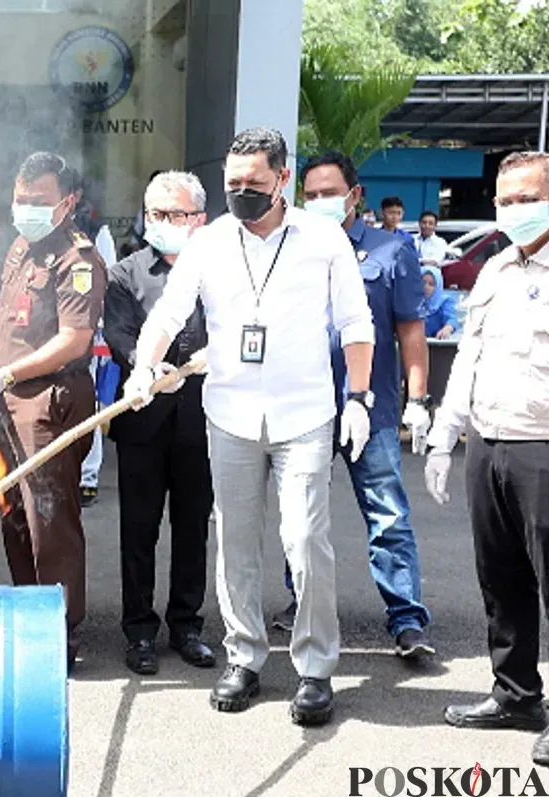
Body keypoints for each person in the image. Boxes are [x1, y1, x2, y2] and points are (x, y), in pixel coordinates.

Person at [125, 128, 374, 725]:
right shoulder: (208, 242)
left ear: (282, 180)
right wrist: (143, 365)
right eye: (232, 184)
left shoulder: (323, 239)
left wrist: (359, 397)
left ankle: (314, 669)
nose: (242, 194)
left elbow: (355, 323)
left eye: (254, 185)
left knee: (305, 541)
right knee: (236, 540)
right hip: (230, 413)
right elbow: (169, 311)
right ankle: (245, 657)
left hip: (304, 414)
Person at [280, 151, 434, 658]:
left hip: (373, 410)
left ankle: (407, 619)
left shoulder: (392, 251)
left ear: (355, 195)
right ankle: (299, 604)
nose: (321, 201)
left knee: (387, 514)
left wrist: (419, 400)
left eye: (330, 191)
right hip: (306, 408)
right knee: (300, 513)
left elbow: (411, 329)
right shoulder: (291, 251)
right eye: (312, 193)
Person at [427, 151, 549, 766]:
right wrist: (445, 434)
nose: (513, 210)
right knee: (501, 579)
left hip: (544, 447)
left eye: (527, 198)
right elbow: (467, 358)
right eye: (504, 200)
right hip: (490, 442)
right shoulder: (497, 268)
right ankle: (517, 693)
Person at [0, 151, 106, 671]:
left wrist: (10, 372)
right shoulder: (20, 247)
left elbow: (74, 340)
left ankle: (61, 631)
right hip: (4, 401)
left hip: (47, 402)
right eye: (20, 199)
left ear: (66, 202)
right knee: (14, 516)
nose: (26, 208)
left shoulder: (79, 260)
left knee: (50, 518)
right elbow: (2, 303)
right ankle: (31, 611)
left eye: (38, 201)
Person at [104, 170, 214, 676]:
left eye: (175, 214)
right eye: (155, 214)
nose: (163, 223)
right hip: (144, 417)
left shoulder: (221, 268)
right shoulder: (126, 273)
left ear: (200, 218)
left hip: (204, 419)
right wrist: (146, 368)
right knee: (139, 529)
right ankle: (140, 631)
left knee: (193, 527)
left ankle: (187, 625)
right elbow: (121, 333)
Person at [75, 181, 117, 508]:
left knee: (87, 403)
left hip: (88, 331)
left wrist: (101, 325)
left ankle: (87, 477)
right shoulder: (48, 228)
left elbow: (110, 277)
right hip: (50, 332)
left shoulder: (96, 230)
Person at [421, 266, 458, 339]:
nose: (426, 287)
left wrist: (447, 329)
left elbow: (452, 319)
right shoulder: (413, 302)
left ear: (438, 286)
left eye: (431, 284)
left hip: (438, 341)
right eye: (423, 283)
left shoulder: (445, 302)